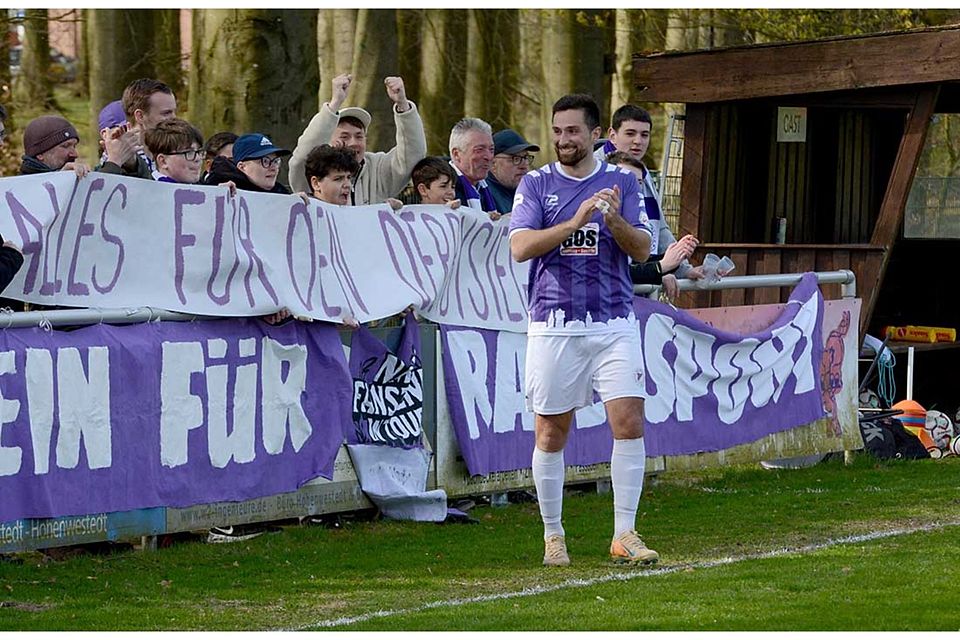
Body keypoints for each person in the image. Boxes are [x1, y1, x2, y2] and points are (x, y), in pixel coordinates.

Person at [509, 93, 659, 567]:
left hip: (614, 321)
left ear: (596, 135)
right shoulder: (535, 184)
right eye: (557, 131)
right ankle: (553, 534)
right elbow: (520, 247)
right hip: (554, 323)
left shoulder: (621, 182)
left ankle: (625, 533)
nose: (563, 140)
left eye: (572, 131)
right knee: (551, 432)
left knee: (628, 421)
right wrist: (574, 221)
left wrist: (612, 219)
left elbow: (641, 250)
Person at [599, 107, 704, 283]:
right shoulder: (592, 172)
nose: (637, 141)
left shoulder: (642, 172)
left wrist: (679, 265)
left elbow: (658, 224)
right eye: (630, 133)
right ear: (612, 135)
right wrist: (660, 269)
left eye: (644, 135)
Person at [289, 73, 427, 205]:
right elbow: (302, 158)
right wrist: (334, 104)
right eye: (345, 137)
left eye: (359, 136)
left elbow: (413, 153)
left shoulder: (378, 169)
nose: (353, 143)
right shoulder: (314, 171)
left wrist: (403, 104)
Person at [202, 133, 293, 195]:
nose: (274, 168)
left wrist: (296, 204)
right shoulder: (220, 191)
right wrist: (216, 194)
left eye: (276, 161)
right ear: (242, 166)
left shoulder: (280, 193)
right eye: (265, 161)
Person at [448, 117, 499, 219]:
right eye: (479, 150)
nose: (488, 157)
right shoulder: (443, 189)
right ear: (456, 154)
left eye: (491, 150)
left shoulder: (487, 189)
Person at [487, 129, 539, 214]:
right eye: (516, 159)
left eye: (526, 158)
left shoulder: (529, 193)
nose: (524, 165)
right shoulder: (483, 194)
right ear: (493, 164)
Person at [19, 115, 89, 177]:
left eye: (74, 146)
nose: (75, 154)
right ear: (40, 154)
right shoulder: (19, 189)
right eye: (65, 146)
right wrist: (59, 180)